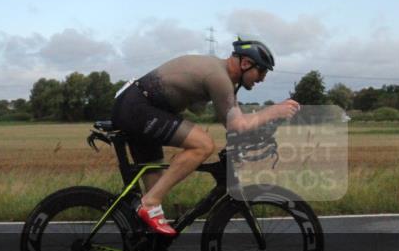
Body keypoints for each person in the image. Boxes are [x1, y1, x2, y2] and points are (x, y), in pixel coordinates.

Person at [110, 37, 300, 236]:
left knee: (155, 183)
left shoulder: (222, 76)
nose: (262, 79)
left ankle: (148, 243)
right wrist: (273, 111)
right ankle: (149, 203)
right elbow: (236, 124)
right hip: (138, 108)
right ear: (245, 63)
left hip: (138, 106)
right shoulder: (218, 77)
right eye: (261, 71)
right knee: (202, 145)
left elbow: (234, 122)